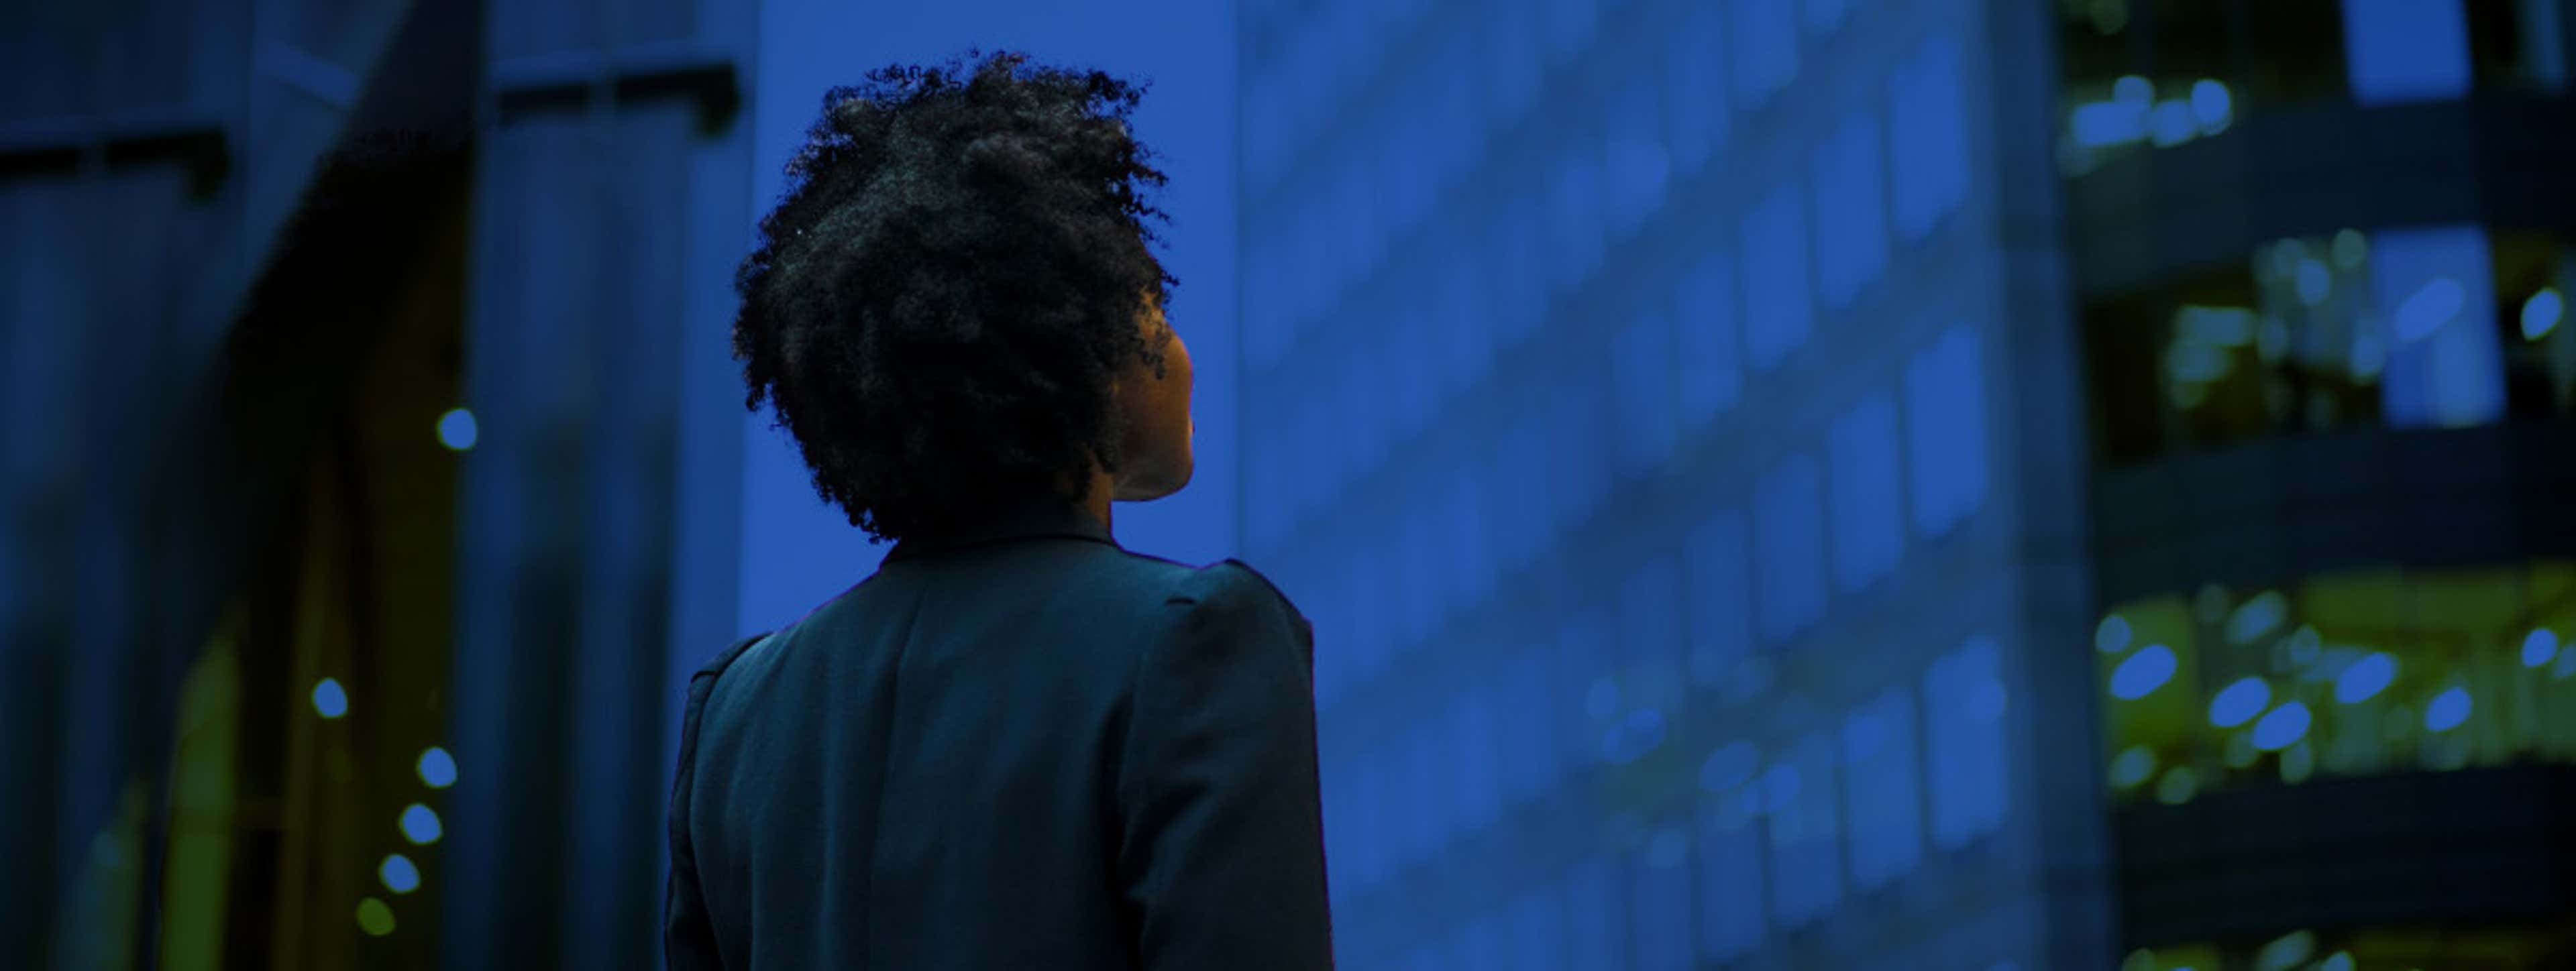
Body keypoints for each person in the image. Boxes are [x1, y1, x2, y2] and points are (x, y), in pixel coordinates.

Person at [661, 50, 1333, 970]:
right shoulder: (1193, 640)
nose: (1177, 343)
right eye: (1152, 298)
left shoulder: (736, 714)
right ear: (1079, 338)